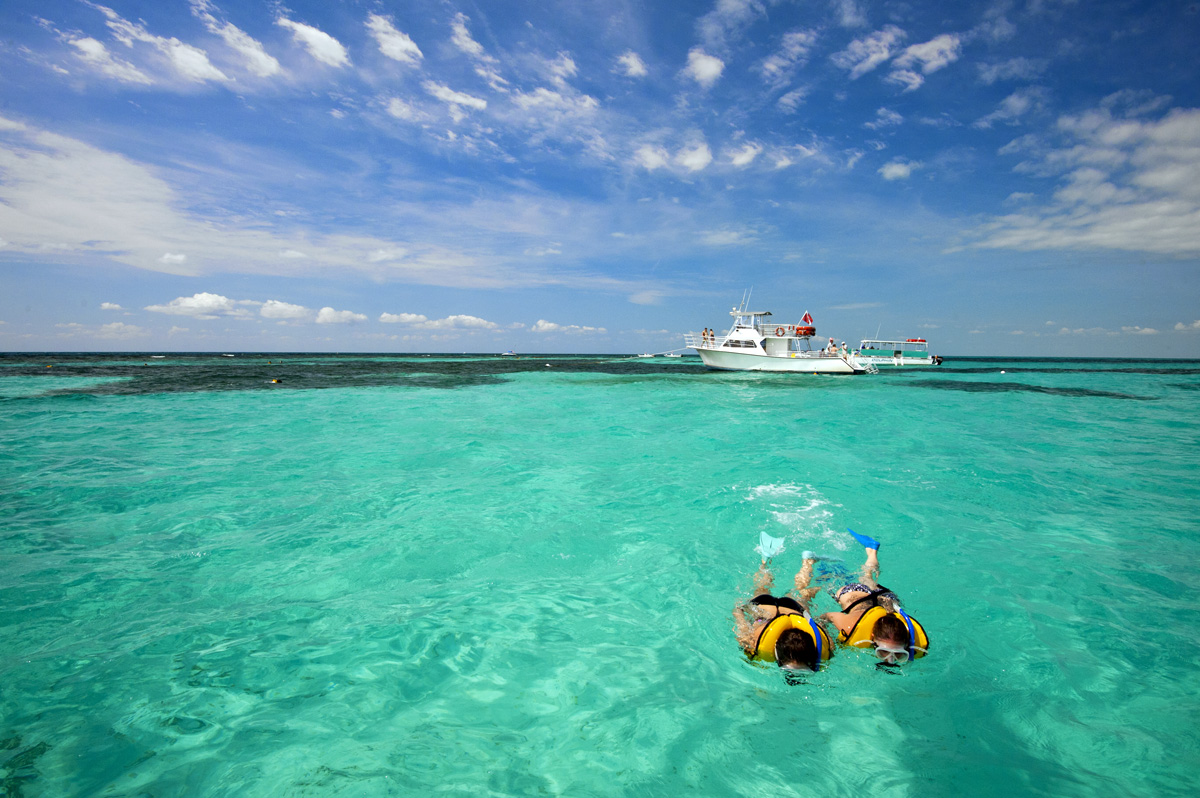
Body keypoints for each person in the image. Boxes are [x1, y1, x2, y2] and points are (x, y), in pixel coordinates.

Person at [803, 530, 929, 665]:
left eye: (899, 654)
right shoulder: (850, 626)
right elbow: (826, 616)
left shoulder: (907, 640)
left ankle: (872, 551)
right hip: (856, 594)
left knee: (868, 578)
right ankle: (809, 561)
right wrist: (829, 640)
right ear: (873, 637)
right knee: (824, 583)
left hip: (886, 598)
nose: (890, 660)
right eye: (883, 652)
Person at [732, 556, 834, 674]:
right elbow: (739, 617)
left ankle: (807, 562)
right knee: (762, 588)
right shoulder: (752, 643)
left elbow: (821, 626)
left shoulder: (826, 646)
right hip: (765, 608)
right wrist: (740, 610)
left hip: (792, 608)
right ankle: (768, 562)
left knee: (802, 592)